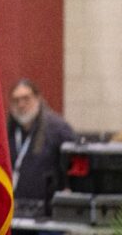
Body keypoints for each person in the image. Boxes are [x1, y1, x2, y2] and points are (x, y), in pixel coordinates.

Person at [8, 78, 76, 216]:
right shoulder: (7, 131)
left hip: (48, 213)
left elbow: (75, 164)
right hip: (16, 211)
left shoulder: (58, 129)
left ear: (38, 98)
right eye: (16, 100)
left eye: (26, 98)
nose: (21, 104)